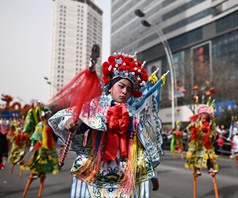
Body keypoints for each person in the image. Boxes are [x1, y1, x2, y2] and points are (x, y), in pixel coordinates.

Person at [48, 52, 165, 198]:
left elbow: (143, 146)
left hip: (125, 174)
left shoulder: (134, 115)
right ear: (110, 87)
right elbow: (77, 125)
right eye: (121, 86)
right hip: (96, 171)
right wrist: (70, 123)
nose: (124, 92)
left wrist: (152, 174)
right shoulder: (95, 108)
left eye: (129, 89)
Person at [21, 107, 60, 197]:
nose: (48, 117)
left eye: (49, 116)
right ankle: (24, 194)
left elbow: (51, 140)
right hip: (40, 152)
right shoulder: (39, 126)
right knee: (33, 173)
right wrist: (32, 145)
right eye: (47, 116)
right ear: (44, 116)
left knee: (43, 175)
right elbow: (36, 136)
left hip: (47, 152)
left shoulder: (49, 126)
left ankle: (39, 195)